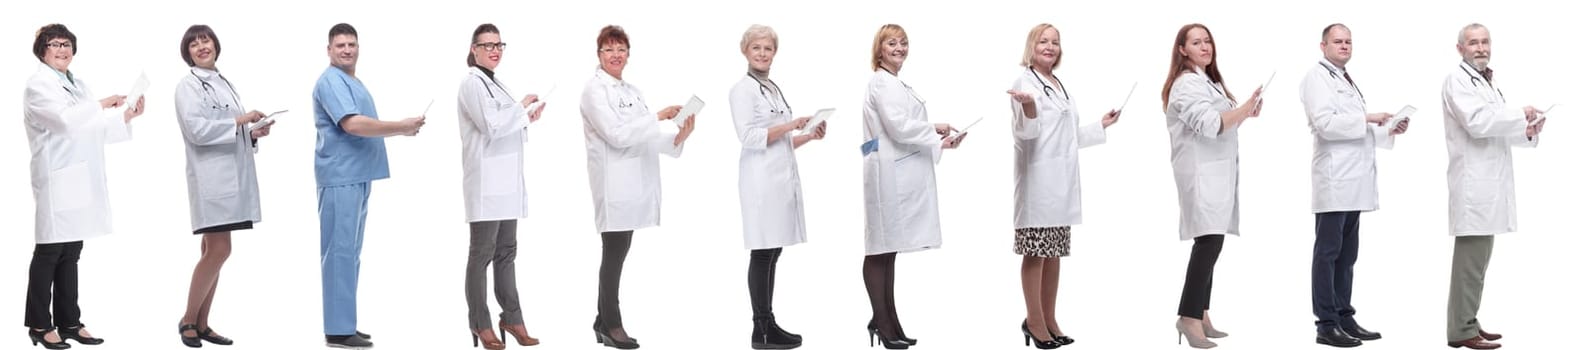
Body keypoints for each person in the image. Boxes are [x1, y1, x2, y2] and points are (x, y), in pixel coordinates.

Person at [23, 23, 145, 349]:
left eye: (67, 44)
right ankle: (38, 324)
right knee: (49, 252)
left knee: (71, 252)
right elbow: (63, 121)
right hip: (56, 176)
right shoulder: (38, 85)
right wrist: (102, 104)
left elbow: (91, 128)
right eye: (55, 44)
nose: (63, 49)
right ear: (43, 51)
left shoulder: (78, 85)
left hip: (77, 178)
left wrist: (126, 116)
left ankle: (69, 322)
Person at [579, 24, 698, 350]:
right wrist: (658, 115)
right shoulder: (593, 90)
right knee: (614, 252)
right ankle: (611, 323)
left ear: (628, 55)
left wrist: (677, 137)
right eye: (609, 50)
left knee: (619, 251)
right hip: (614, 182)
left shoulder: (632, 91)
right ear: (599, 54)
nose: (615, 55)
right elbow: (616, 135)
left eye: (621, 49)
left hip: (635, 183)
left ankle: (602, 321)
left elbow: (643, 135)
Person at [312, 22, 426, 349]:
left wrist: (400, 129)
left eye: (352, 44)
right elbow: (353, 124)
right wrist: (401, 127)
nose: (347, 49)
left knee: (350, 253)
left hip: (357, 174)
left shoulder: (350, 80)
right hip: (340, 176)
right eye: (340, 45)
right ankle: (337, 329)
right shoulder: (330, 81)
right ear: (329, 49)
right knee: (339, 252)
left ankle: (345, 322)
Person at [1005, 22, 1118, 350]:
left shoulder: (1057, 83)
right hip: (1038, 184)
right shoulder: (1024, 82)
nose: (1050, 46)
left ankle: (1050, 319)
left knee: (1053, 253)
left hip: (1061, 184)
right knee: (1035, 253)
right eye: (1043, 41)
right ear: (1032, 46)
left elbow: (1067, 137)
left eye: (1055, 42)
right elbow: (1026, 133)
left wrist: (1101, 125)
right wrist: (1027, 107)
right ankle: (1034, 321)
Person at [1298, 23, 1406, 348]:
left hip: (1354, 182)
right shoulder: (1316, 78)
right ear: (1323, 46)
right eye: (1338, 41)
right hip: (1335, 182)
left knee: (1347, 255)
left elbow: (1355, 129)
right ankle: (1326, 324)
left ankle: (1344, 316)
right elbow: (1326, 125)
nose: (1344, 46)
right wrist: (1368, 118)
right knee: (1328, 253)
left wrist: (1388, 129)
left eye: (1348, 41)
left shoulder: (1344, 78)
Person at [861, 23, 967, 350]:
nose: (900, 48)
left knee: (888, 247)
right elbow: (898, 127)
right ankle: (882, 320)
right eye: (892, 43)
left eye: (904, 43)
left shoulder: (894, 83)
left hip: (893, 169)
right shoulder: (881, 82)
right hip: (886, 174)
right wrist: (937, 139)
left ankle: (887, 319)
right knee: (880, 247)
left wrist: (934, 129)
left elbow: (903, 123)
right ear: (879, 49)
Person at [1441, 23, 1544, 350]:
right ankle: (1461, 330)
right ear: (1460, 48)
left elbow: (1497, 126)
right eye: (1473, 43)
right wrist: (1518, 114)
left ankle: (1468, 320)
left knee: (1478, 261)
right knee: (1470, 263)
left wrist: (1526, 131)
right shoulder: (1457, 81)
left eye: (1485, 42)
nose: (1481, 47)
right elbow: (1478, 123)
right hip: (1474, 187)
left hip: (1488, 186)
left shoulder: (1488, 82)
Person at [1160, 23, 1263, 349]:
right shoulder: (1186, 84)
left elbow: (1222, 119)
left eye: (1207, 41)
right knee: (1208, 244)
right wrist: (1243, 109)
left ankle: (1201, 313)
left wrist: (1246, 113)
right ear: (1182, 50)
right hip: (1201, 175)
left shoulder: (1207, 82)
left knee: (1212, 242)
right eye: (1196, 42)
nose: (1205, 47)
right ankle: (1188, 318)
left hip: (1214, 174)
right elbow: (1209, 125)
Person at [172, 24, 275, 348]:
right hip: (212, 181)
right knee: (220, 250)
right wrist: (241, 122)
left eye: (206, 40)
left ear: (216, 45)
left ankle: (202, 323)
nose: (202, 46)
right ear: (187, 52)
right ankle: (188, 319)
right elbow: (197, 131)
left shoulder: (221, 81)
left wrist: (251, 133)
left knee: (211, 250)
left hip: (229, 177)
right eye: (194, 44)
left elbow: (224, 128)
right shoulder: (188, 86)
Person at [727, 24, 827, 350]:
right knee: (762, 249)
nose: (762, 53)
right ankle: (761, 327)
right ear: (746, 51)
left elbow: (781, 142)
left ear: (774, 53)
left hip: (778, 178)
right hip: (759, 181)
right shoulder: (742, 89)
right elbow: (750, 137)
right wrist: (791, 124)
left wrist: (808, 135)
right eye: (756, 47)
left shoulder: (770, 87)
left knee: (774, 249)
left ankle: (768, 324)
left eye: (767, 48)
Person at [456, 23, 544, 350]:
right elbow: (491, 126)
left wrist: (526, 115)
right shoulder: (471, 84)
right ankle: (480, 323)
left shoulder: (497, 84)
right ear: (473, 49)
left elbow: (507, 124)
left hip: (507, 185)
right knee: (481, 255)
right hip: (486, 185)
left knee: (507, 253)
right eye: (487, 44)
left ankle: (513, 317)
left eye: (499, 44)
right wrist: (521, 110)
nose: (494, 50)